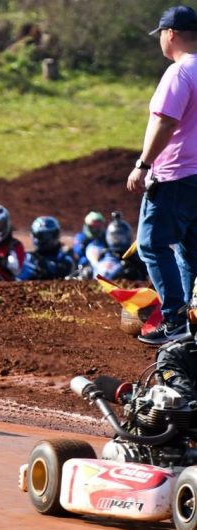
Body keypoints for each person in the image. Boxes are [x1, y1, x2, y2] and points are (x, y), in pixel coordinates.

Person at [126, 5, 197, 344]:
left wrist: (143, 164)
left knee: (153, 246)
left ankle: (174, 321)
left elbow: (166, 121)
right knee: (189, 250)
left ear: (170, 34)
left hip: (174, 174)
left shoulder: (180, 72)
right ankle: (193, 320)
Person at [84, 211, 148, 281]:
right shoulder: (103, 250)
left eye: (120, 237)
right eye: (114, 237)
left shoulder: (134, 255)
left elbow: (144, 272)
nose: (118, 240)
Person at [18, 216, 74, 280]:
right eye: (40, 236)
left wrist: (45, 266)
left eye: (47, 236)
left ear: (55, 235)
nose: (43, 240)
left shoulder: (64, 256)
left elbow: (65, 270)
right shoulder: (28, 257)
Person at [71, 211, 106, 276]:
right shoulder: (81, 237)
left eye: (98, 225)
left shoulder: (105, 237)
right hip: (86, 266)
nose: (96, 229)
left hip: (104, 264)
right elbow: (78, 253)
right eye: (94, 226)